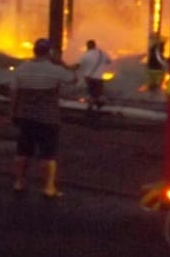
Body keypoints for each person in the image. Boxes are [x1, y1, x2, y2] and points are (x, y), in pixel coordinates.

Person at [10, 38, 76, 198]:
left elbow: (13, 92)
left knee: (22, 152)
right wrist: (62, 64)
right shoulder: (55, 70)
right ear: (49, 52)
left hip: (25, 117)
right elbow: (73, 79)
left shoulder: (21, 69)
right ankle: (48, 188)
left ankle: (18, 182)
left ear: (34, 50)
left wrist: (13, 113)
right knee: (48, 155)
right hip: (48, 119)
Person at [75, 39, 111, 114]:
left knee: (92, 93)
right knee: (98, 93)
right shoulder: (102, 53)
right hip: (98, 78)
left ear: (87, 46)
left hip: (89, 78)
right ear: (95, 45)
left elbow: (78, 65)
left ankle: (90, 108)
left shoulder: (86, 55)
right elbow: (109, 61)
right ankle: (98, 107)